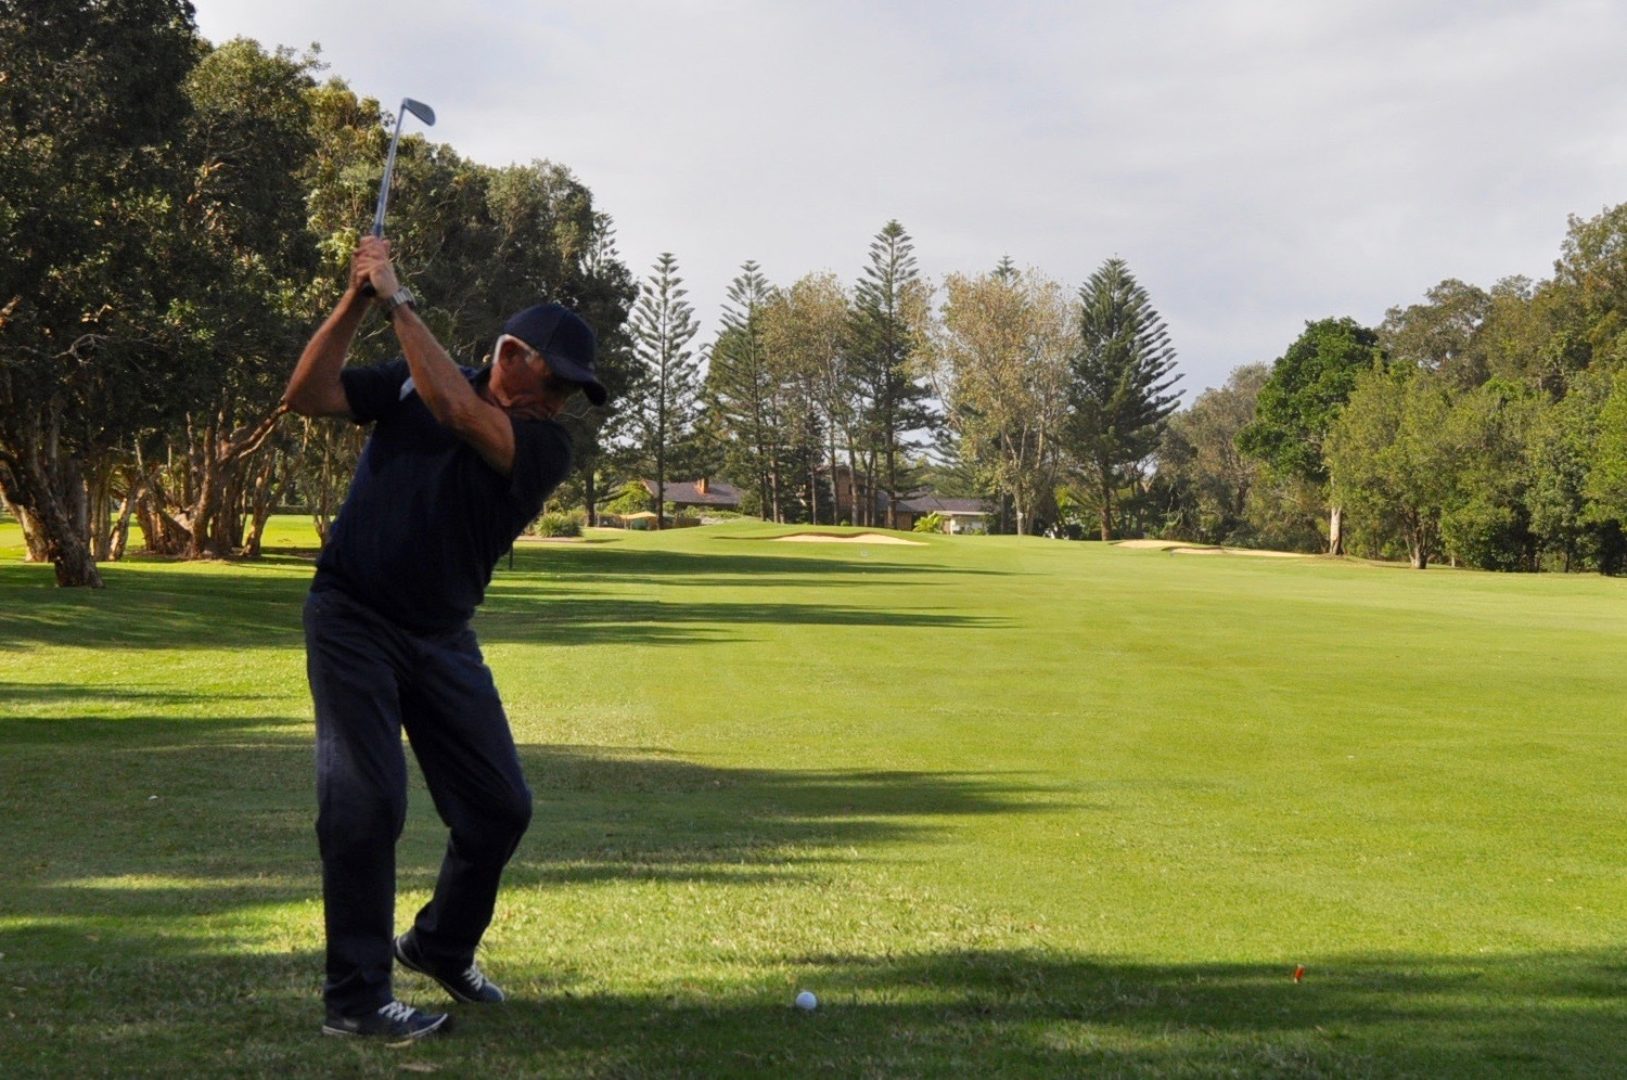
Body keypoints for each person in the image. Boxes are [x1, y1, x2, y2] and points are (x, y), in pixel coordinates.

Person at [283, 235, 607, 1040]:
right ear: (511, 353)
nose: (559, 401)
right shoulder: (410, 379)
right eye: (555, 382)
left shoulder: (544, 445)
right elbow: (307, 395)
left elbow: (459, 413)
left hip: (440, 636)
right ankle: (356, 999)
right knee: (365, 802)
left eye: (571, 391)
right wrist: (355, 301)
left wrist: (397, 299)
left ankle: (439, 945)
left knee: (498, 807)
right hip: (352, 617)